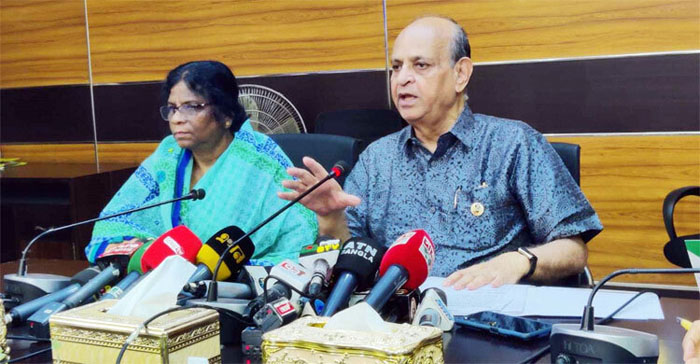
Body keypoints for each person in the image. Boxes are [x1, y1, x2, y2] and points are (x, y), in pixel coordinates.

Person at [278, 16, 602, 290]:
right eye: (396, 67)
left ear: (460, 74)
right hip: (398, 322)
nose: (403, 78)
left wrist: (518, 262)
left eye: (420, 65)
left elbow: (573, 250)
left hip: (489, 321)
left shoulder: (513, 143)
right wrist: (331, 219)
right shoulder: (377, 159)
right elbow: (354, 254)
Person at [86, 61, 317, 264]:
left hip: (239, 289)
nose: (177, 119)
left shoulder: (259, 158)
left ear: (226, 114)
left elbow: (300, 233)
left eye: (192, 107)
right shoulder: (168, 154)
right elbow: (115, 221)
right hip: (162, 282)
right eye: (173, 108)